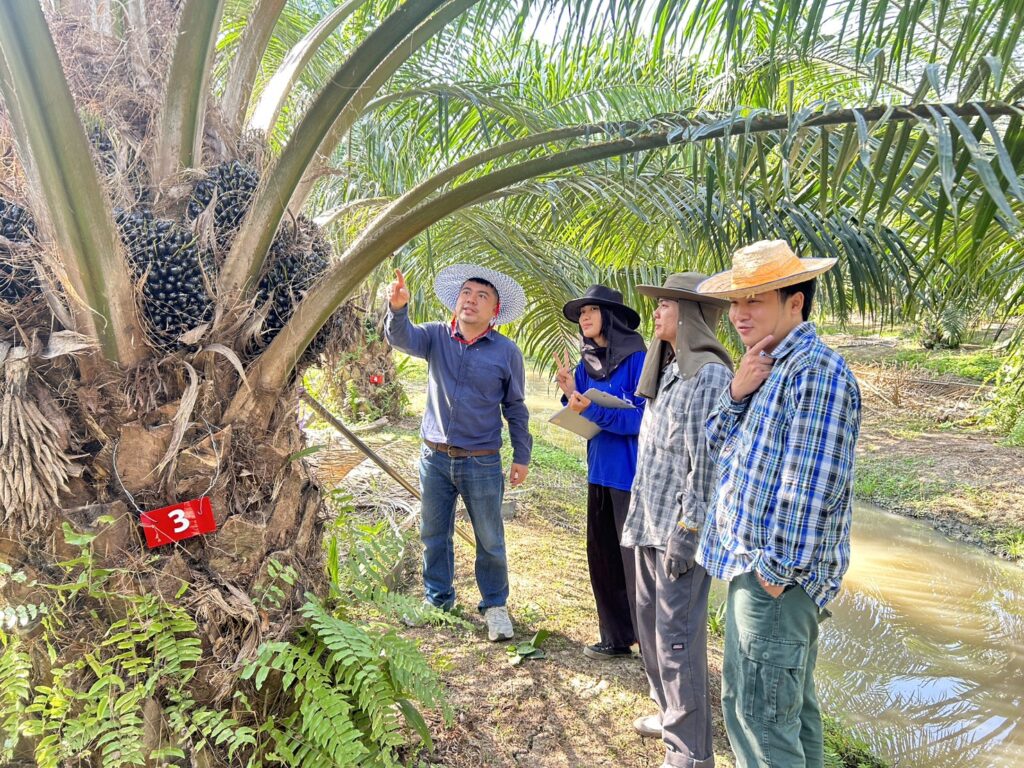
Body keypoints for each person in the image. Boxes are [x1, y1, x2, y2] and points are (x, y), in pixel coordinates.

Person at [695, 240, 862, 768]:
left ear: (796, 302)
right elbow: (716, 444)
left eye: (756, 300)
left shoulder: (815, 371)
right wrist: (736, 393)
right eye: (736, 301)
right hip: (758, 568)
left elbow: (809, 485)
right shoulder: (765, 363)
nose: (739, 314)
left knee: (759, 724)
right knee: (788, 716)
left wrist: (774, 573)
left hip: (775, 578)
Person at [621, 273, 733, 768]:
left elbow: (703, 465)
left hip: (676, 532)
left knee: (677, 642)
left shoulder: (707, 375)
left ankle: (690, 754)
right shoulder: (669, 370)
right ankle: (670, 718)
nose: (657, 312)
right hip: (649, 522)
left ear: (689, 315)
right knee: (651, 629)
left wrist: (687, 535)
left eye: (665, 304)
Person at [385, 264, 532, 642]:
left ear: (494, 310)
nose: (471, 300)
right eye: (466, 292)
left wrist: (522, 455)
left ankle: (495, 606)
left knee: (489, 538)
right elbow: (401, 338)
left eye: (482, 296)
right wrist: (398, 309)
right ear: (457, 300)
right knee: (434, 533)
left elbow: (515, 407)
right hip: (434, 458)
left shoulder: (506, 352)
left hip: (481, 460)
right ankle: (438, 600)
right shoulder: (435, 336)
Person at [555, 285, 647, 660]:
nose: (584, 317)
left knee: (635, 564)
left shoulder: (638, 359)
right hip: (599, 471)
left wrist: (591, 409)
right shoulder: (586, 363)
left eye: (591, 310)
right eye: (581, 313)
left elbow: (642, 419)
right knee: (603, 557)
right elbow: (580, 411)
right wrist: (569, 392)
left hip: (630, 475)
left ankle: (649, 644)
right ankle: (615, 638)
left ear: (610, 316)